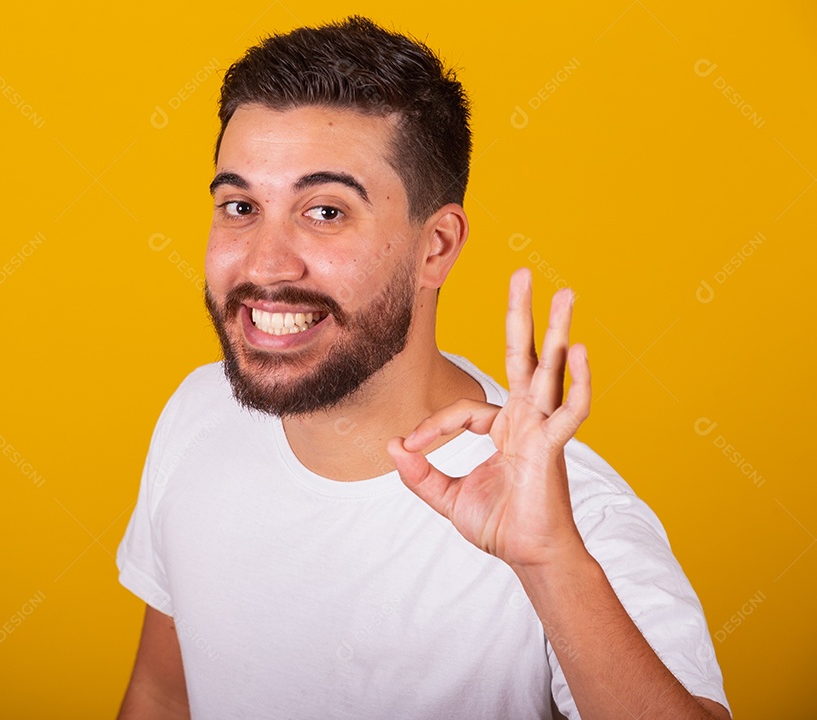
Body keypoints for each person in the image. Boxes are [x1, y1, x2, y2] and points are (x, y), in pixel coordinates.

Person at [116, 16, 730, 719]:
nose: (264, 262)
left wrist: (551, 565)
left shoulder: (569, 522)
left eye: (324, 210)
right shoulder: (200, 412)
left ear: (435, 247)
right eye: (240, 206)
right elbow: (163, 695)